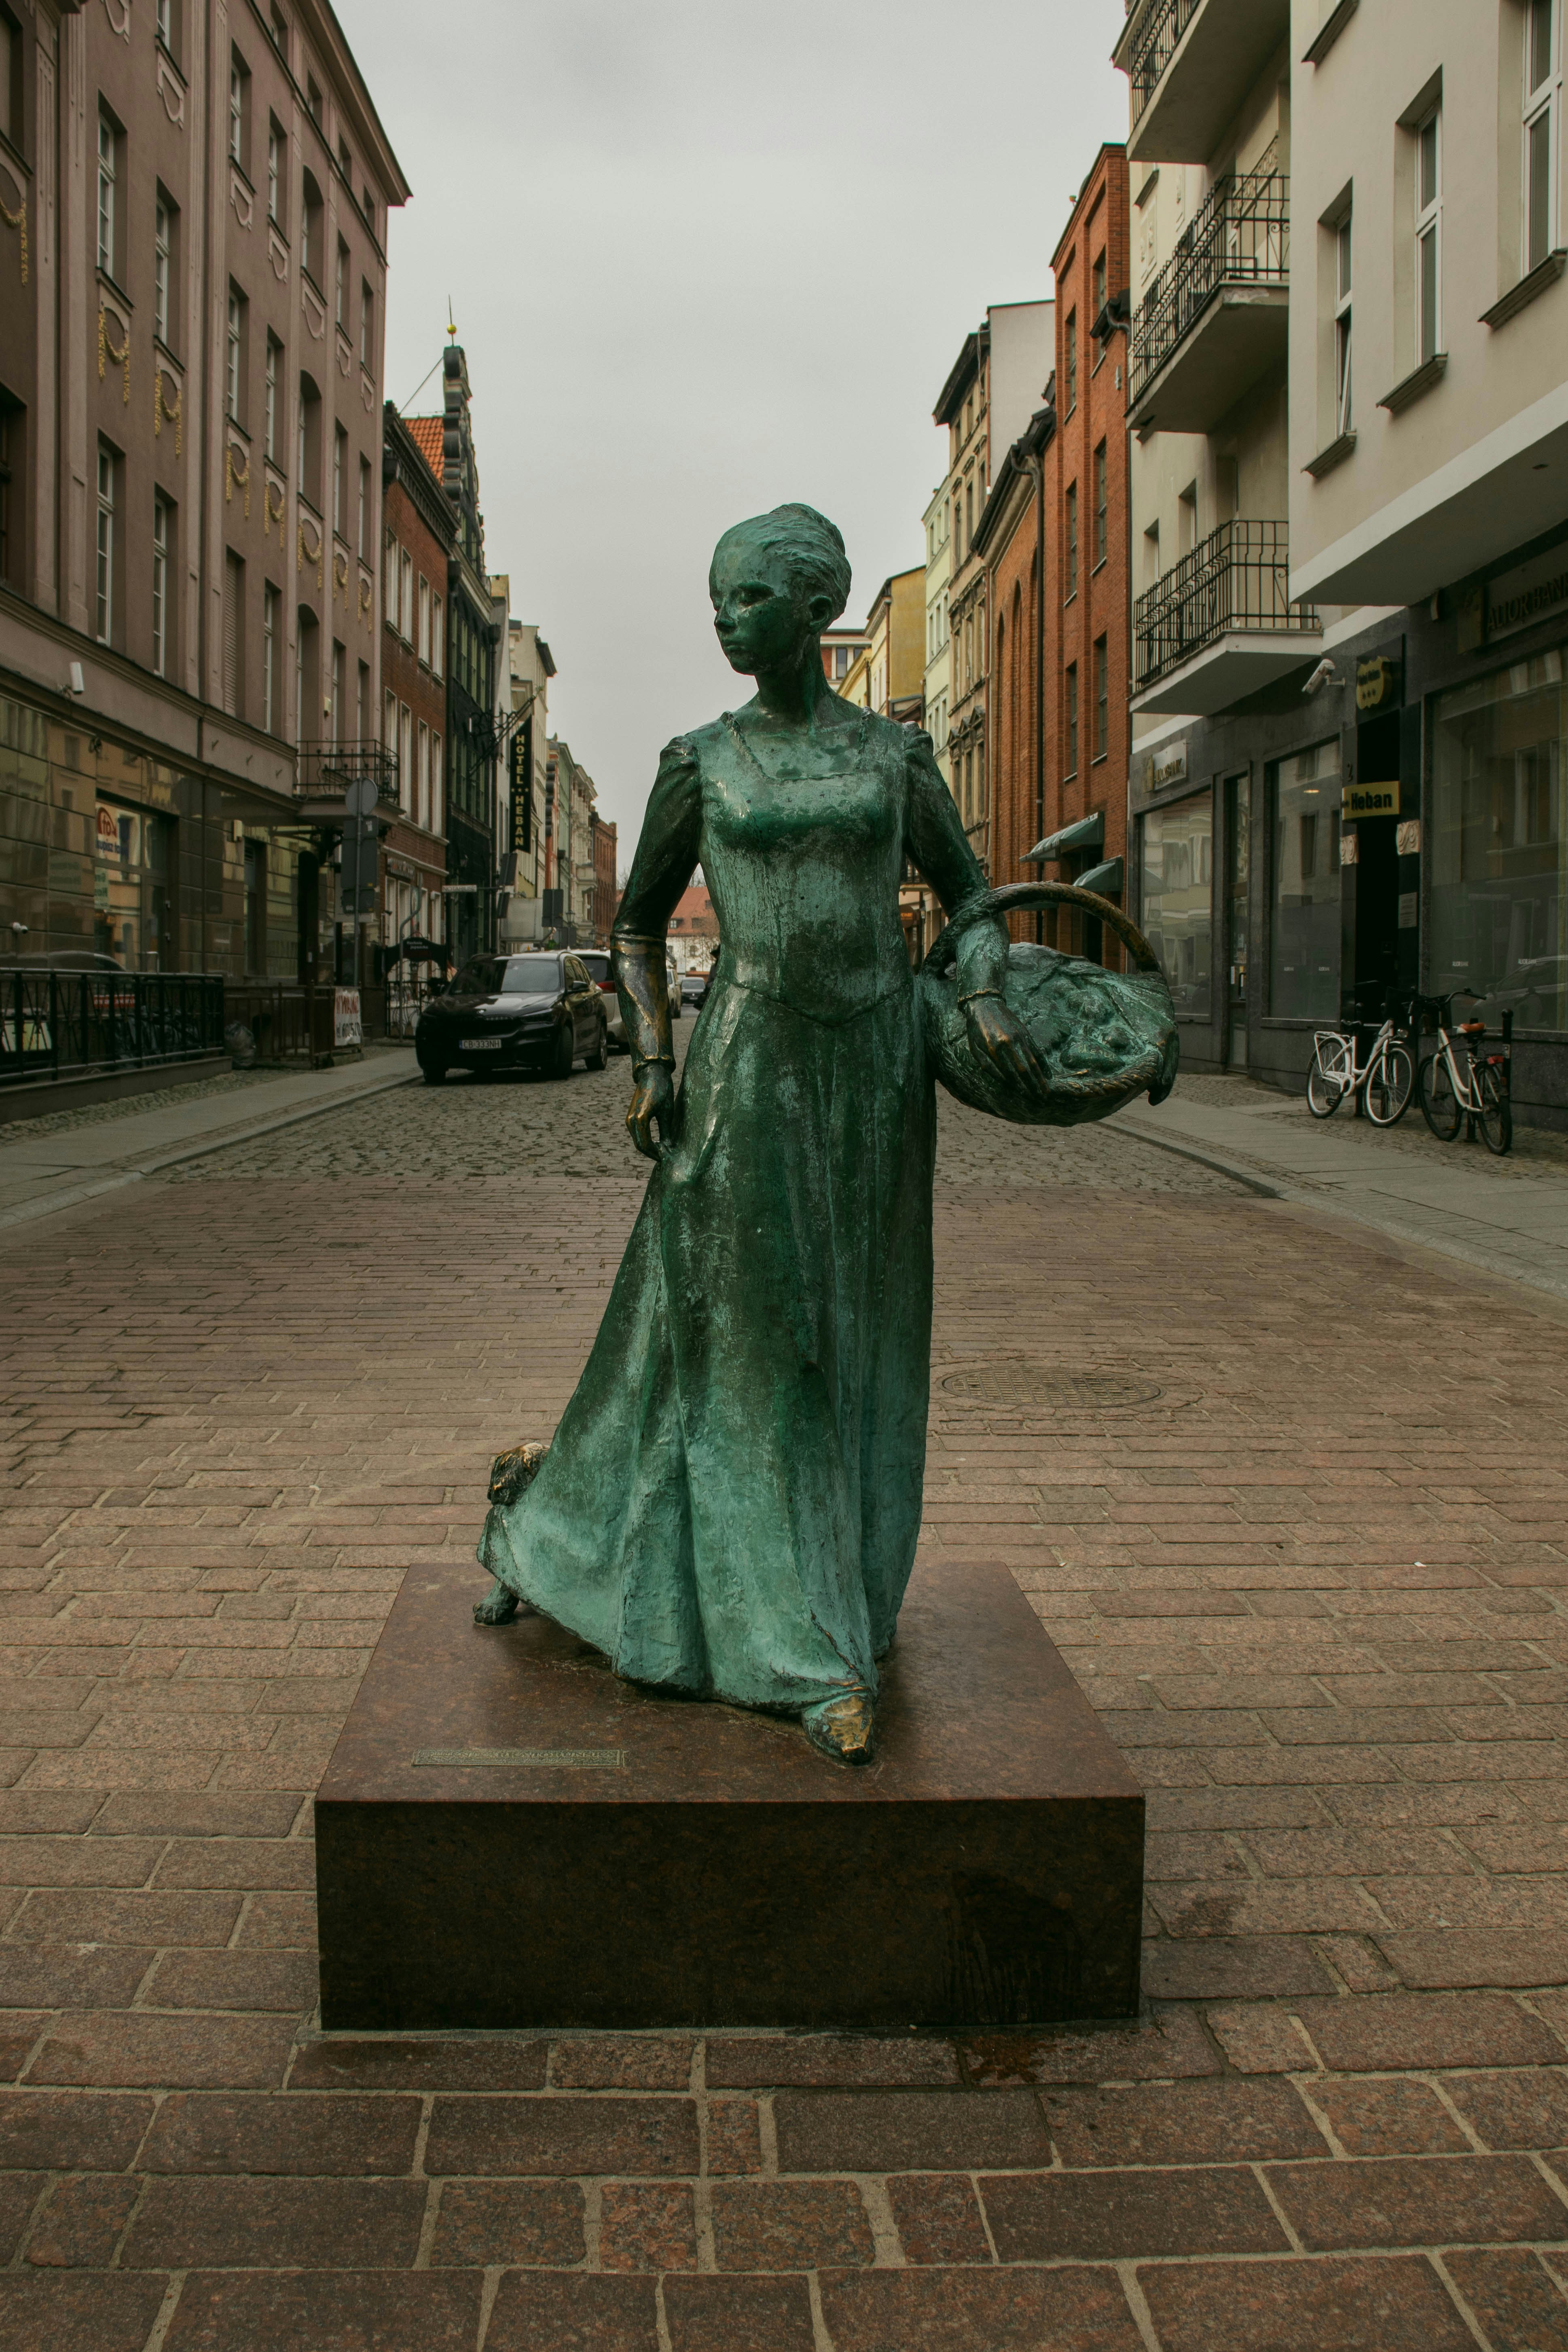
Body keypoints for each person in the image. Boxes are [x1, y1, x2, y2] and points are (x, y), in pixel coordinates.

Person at [474, 504, 1045, 1762]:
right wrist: (651, 1059)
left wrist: (990, 990)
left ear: (814, 605)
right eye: (717, 600)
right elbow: (635, 931)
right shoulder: (702, 759)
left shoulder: (895, 764)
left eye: (747, 598)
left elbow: (973, 899)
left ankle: (836, 1587)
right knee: (763, 1354)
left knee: (866, 1337)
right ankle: (797, 1652)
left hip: (878, 1073)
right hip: (745, 1072)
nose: (726, 620)